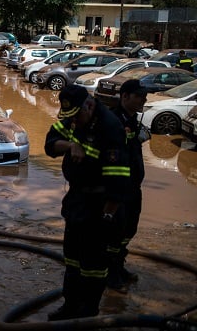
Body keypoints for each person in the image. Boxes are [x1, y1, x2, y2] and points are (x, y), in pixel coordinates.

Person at [44, 85, 131, 321]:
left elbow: (119, 183)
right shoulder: (75, 117)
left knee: (93, 266)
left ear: (90, 106)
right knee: (72, 258)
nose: (74, 122)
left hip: (100, 204)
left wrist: (107, 217)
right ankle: (70, 307)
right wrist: (71, 145)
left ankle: (89, 313)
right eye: (70, 118)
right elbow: (50, 143)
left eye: (77, 116)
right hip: (77, 200)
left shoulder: (110, 127)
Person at [106, 79, 150, 292]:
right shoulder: (113, 120)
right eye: (139, 96)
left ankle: (119, 267)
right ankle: (111, 276)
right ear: (125, 97)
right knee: (114, 234)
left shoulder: (133, 120)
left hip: (133, 188)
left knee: (128, 231)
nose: (144, 100)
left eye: (144, 96)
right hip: (118, 191)